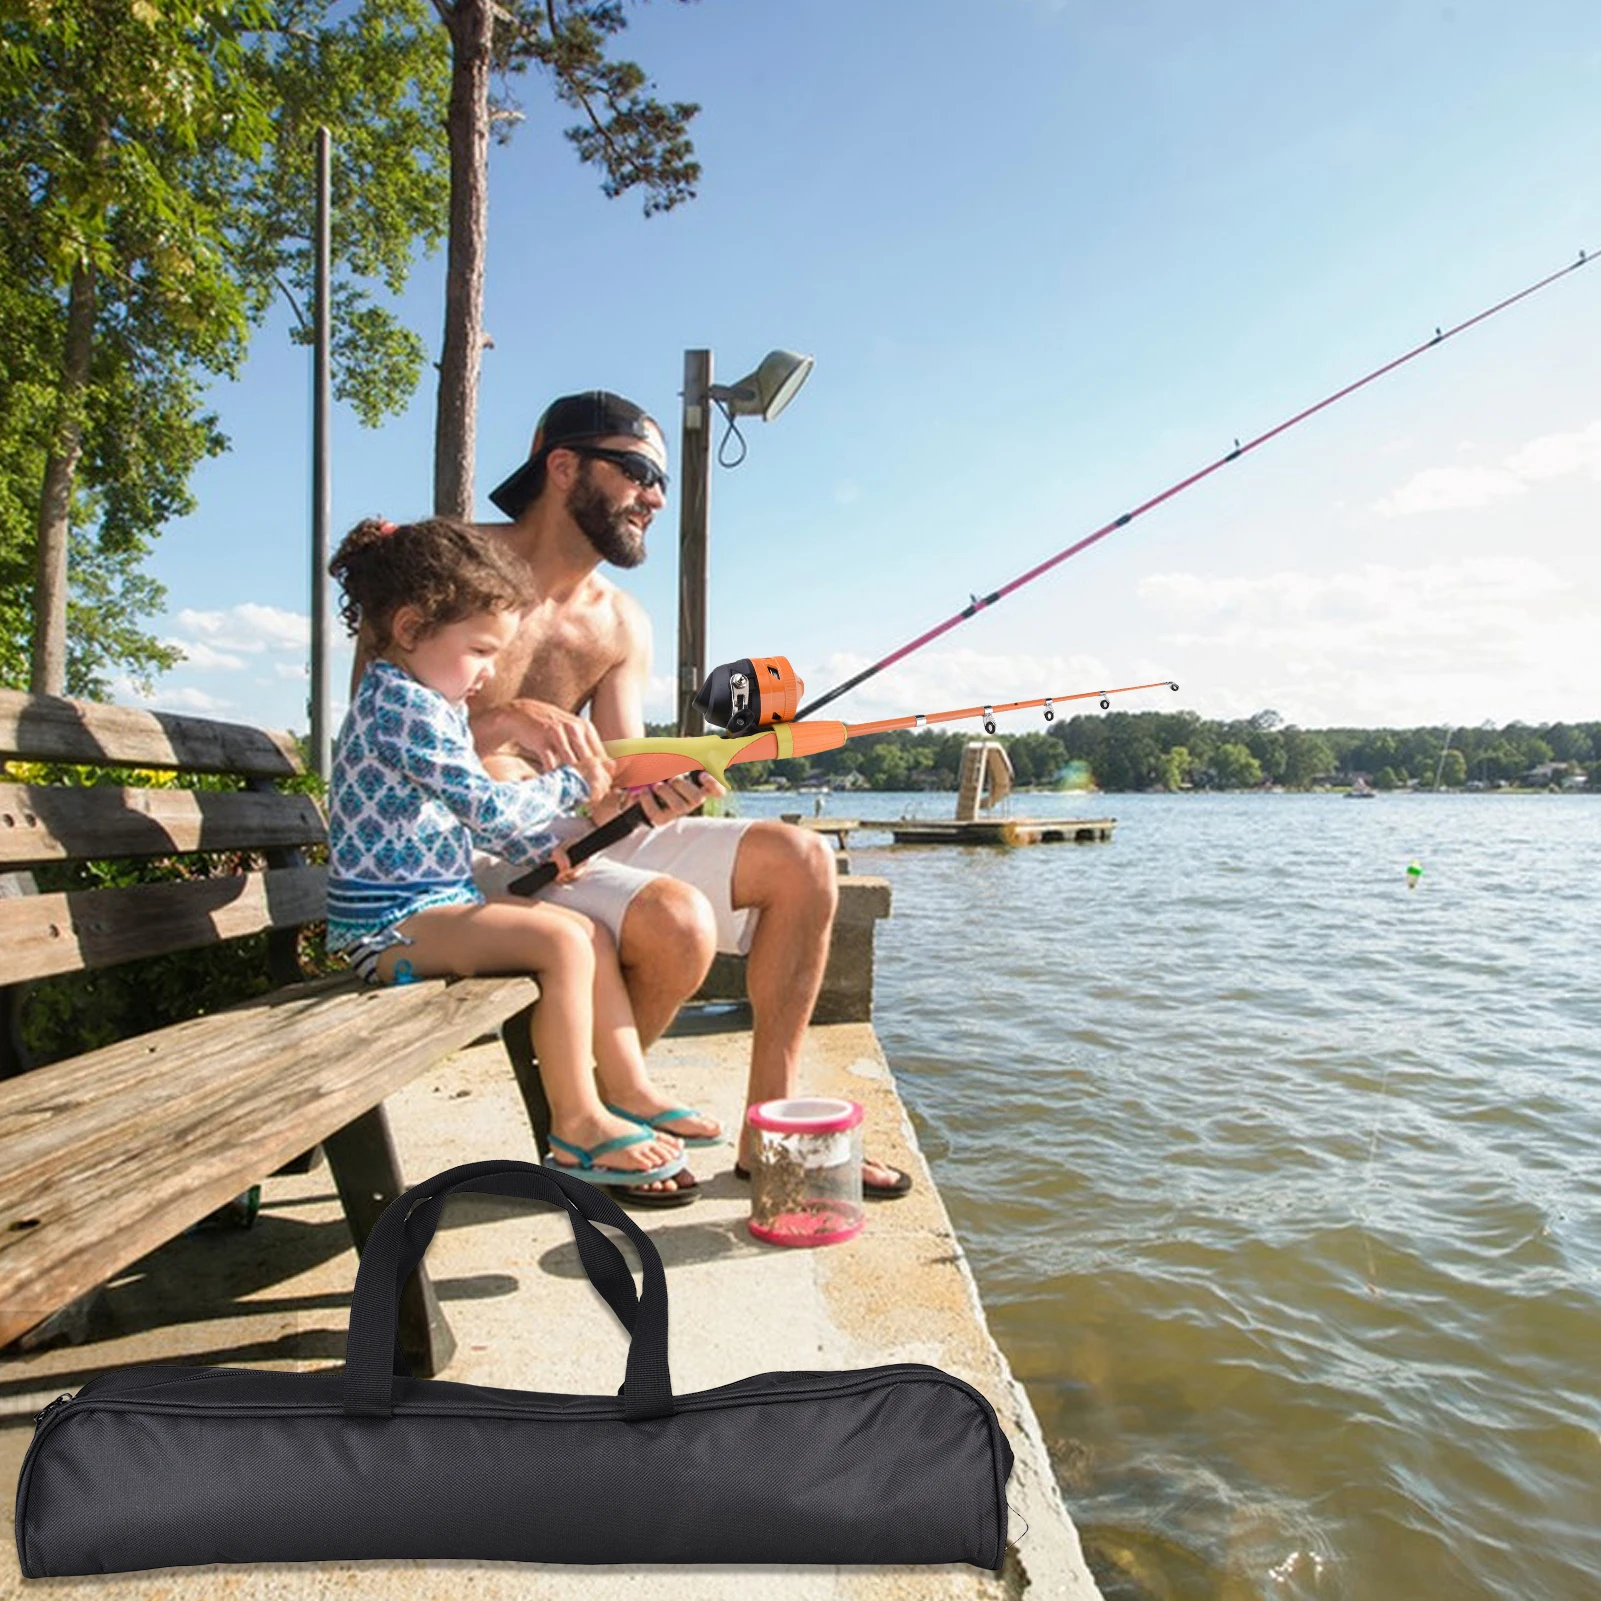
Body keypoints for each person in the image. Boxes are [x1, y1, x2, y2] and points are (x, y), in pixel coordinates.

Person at [470, 391, 912, 1198]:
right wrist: (503, 719)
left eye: (660, 480)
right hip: (460, 846)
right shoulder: (452, 564)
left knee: (801, 858)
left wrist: (666, 782)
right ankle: (596, 1118)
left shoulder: (620, 622)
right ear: (562, 465)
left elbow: (609, 770)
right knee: (677, 919)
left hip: (569, 833)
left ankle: (769, 1132)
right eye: (638, 471)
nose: (656, 497)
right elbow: (379, 737)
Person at [326, 514, 722, 1205]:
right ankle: (575, 1122)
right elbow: (485, 806)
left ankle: (626, 1086)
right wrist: (577, 783)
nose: (486, 676)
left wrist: (557, 844)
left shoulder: (430, 702)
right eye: (479, 651)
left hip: (431, 906)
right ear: (414, 627)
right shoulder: (401, 707)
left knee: (585, 931)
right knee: (560, 940)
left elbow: (480, 822)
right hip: (386, 929)